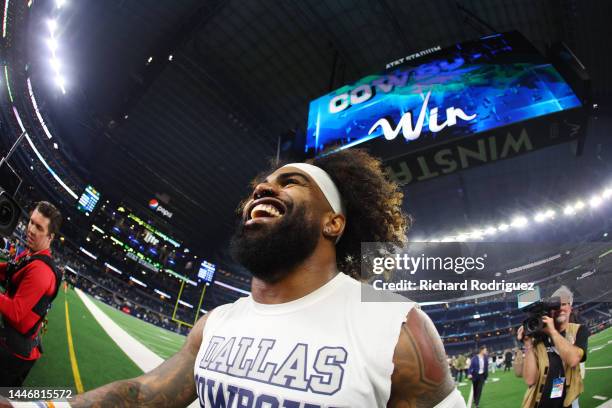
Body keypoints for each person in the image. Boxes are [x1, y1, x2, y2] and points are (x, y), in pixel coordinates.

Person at [8, 150, 464, 407]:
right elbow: (141, 395)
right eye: (260, 185)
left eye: (290, 182)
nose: (264, 188)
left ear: (334, 223)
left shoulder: (397, 327)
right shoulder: (218, 321)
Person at [0, 201, 63, 386]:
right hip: (13, 340)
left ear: (50, 237)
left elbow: (16, 312)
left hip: (14, 353)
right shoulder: (31, 254)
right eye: (31, 222)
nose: (31, 230)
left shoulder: (41, 270)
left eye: (39, 227)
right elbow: (8, 271)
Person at [515, 286, 588, 408]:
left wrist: (552, 332)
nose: (560, 308)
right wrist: (528, 344)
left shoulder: (579, 330)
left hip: (567, 402)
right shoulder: (538, 337)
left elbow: (573, 359)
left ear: (570, 307)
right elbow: (530, 380)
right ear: (550, 311)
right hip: (540, 403)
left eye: (564, 304)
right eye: (556, 306)